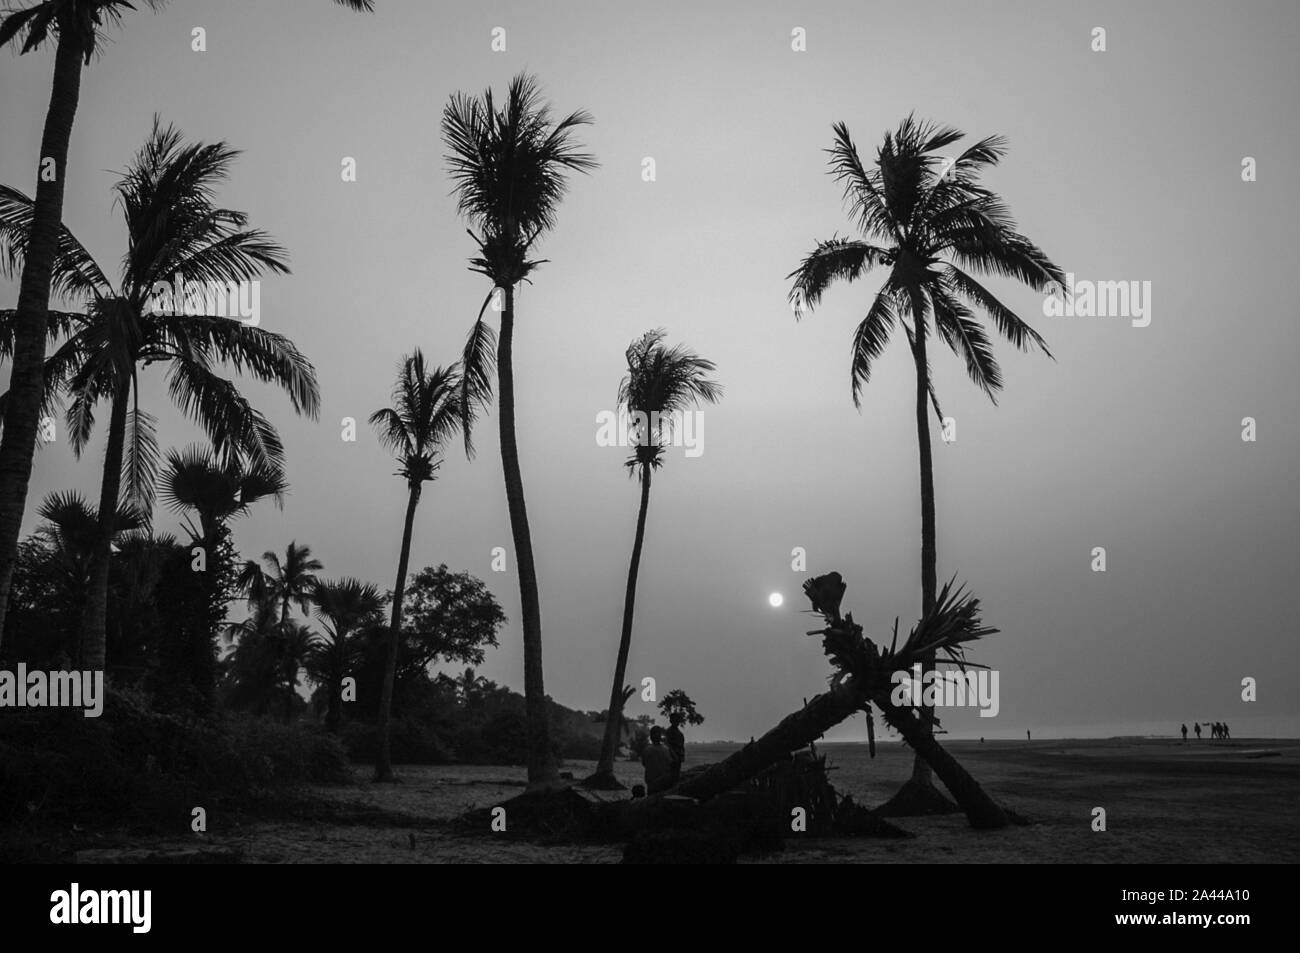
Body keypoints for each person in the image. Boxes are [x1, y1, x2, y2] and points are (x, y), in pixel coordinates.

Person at [641, 726, 675, 794]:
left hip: (652, 783)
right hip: (664, 783)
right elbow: (671, 763)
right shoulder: (666, 749)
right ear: (660, 737)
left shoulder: (647, 750)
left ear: (651, 737)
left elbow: (644, 763)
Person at [666, 713, 686, 784]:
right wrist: (674, 755)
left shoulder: (680, 734)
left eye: (678, 719)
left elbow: (681, 746)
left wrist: (682, 755)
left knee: (676, 777)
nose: (677, 721)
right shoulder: (668, 732)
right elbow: (667, 745)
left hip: (678, 759)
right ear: (671, 720)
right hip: (671, 759)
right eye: (675, 719)